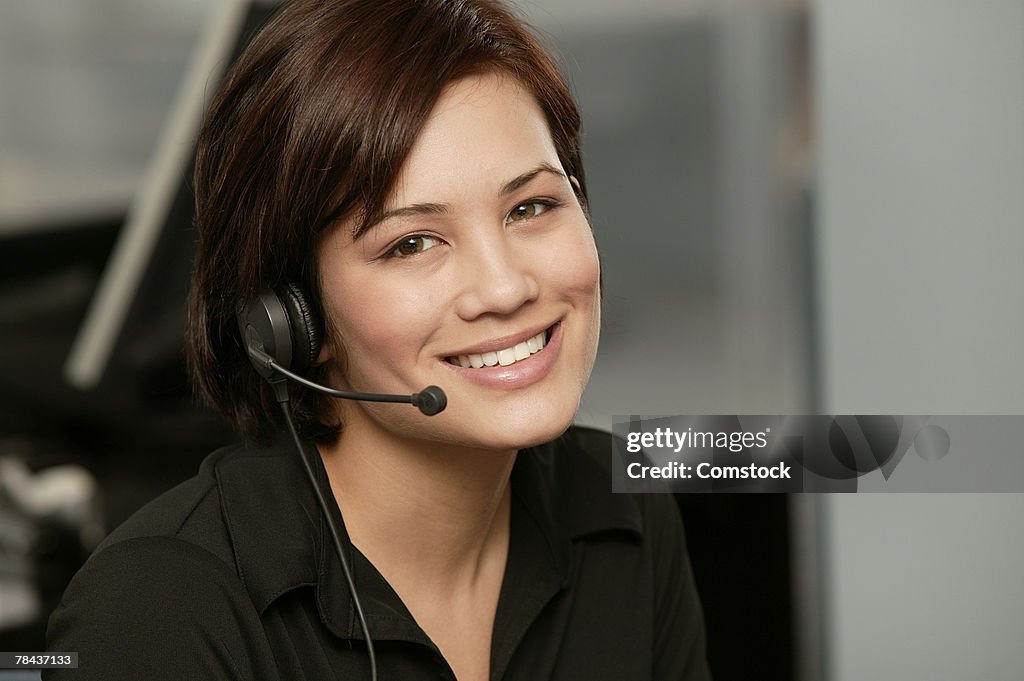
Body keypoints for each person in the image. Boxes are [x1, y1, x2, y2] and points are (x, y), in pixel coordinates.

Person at [45, 1, 711, 679]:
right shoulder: (159, 613)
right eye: (412, 243)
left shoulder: (626, 512)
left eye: (530, 207)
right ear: (294, 315)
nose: (505, 287)